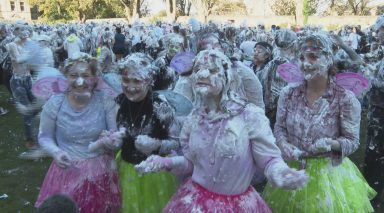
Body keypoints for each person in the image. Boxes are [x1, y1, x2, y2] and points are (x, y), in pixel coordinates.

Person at [135, 49, 308, 212]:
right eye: (198, 69)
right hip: (194, 201)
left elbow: (269, 160)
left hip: (236, 204)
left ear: (227, 77)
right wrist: (166, 163)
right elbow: (191, 164)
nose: (202, 74)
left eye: (211, 70)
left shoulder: (249, 116)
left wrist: (280, 172)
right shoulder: (195, 117)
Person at [263, 32, 376, 212]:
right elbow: (279, 128)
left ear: (328, 59)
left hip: (329, 175)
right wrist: (284, 145)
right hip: (294, 169)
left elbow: (352, 140)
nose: (305, 63)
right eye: (301, 57)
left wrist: (331, 144)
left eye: (313, 56)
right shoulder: (288, 93)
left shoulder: (344, 98)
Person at [35, 54, 121, 212]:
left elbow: (116, 135)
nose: (79, 81)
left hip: (101, 172)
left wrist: (112, 141)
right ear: (66, 77)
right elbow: (44, 137)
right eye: (73, 75)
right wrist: (56, 152)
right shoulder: (56, 102)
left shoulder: (105, 100)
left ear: (95, 78)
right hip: (67, 171)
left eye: (86, 76)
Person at [115, 53, 179, 213]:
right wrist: (112, 138)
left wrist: (156, 145)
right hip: (126, 168)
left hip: (154, 174)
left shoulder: (161, 106)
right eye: (126, 80)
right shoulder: (118, 102)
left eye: (137, 81)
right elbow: (115, 132)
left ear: (149, 81)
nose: (130, 86)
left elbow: (177, 141)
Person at [6, 24, 38, 149]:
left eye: (27, 30)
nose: (25, 33)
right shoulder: (12, 45)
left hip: (28, 79)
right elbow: (19, 60)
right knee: (27, 112)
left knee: (36, 108)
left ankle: (34, 135)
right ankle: (30, 140)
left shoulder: (29, 44)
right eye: (21, 30)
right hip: (18, 81)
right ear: (16, 32)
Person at [364, 15, 384, 209]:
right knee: (373, 155)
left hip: (381, 117)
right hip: (376, 115)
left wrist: (370, 76)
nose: (377, 34)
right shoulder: (381, 52)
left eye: (380, 30)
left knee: (376, 156)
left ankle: (374, 195)